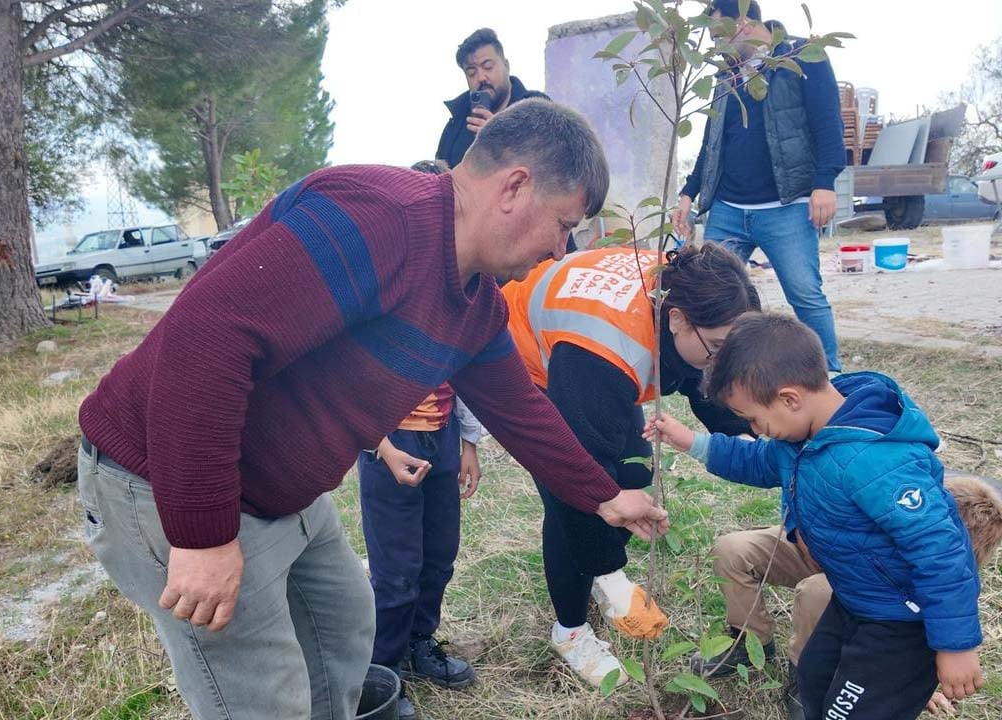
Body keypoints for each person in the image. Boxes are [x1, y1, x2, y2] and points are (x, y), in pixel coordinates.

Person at [76, 98, 668, 720]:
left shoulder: (476, 304)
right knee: (259, 695)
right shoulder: (379, 217)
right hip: (167, 477)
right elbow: (206, 337)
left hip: (279, 494)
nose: (560, 248)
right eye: (562, 223)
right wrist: (202, 536)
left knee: (344, 630)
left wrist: (604, 495)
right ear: (515, 187)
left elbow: (520, 409)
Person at [647, 314, 984, 720]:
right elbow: (758, 460)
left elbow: (941, 549)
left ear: (790, 398)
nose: (756, 429)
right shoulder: (804, 434)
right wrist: (692, 442)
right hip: (855, 601)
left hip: (901, 623)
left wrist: (956, 645)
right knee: (814, 678)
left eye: (754, 418)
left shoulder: (876, 461)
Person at [500, 242, 760, 687]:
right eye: (716, 347)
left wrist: (759, 429)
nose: (721, 361)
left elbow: (706, 381)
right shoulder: (601, 352)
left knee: (633, 472)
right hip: (527, 361)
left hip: (590, 351)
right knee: (580, 497)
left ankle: (597, 567)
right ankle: (570, 630)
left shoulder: (688, 292)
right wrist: (608, 568)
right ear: (676, 319)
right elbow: (577, 482)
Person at [695, 470, 1002, 719]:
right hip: (834, 549)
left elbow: (923, 636)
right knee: (733, 550)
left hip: (871, 585)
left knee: (817, 593)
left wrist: (908, 688)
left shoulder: (946, 579)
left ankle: (804, 680)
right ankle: (749, 642)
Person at [356, 158, 485, 720]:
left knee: (439, 555)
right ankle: (382, 672)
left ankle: (419, 643)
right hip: (389, 443)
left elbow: (474, 375)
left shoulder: (461, 299)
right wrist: (382, 447)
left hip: (443, 437)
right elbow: (350, 380)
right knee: (396, 568)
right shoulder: (381, 293)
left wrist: (470, 446)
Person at [670, 0, 846, 373]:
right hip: (728, 209)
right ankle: (734, 373)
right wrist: (689, 192)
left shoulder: (802, 57)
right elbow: (711, 142)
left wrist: (824, 182)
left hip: (786, 208)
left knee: (805, 296)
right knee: (714, 295)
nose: (716, 47)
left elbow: (828, 124)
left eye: (720, 35)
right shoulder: (725, 76)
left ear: (746, 23)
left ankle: (830, 377)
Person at [436, 28, 548, 168]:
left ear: (506, 66)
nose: (481, 77)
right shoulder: (457, 123)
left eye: (488, 67)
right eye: (471, 72)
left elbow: (552, 166)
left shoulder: (537, 109)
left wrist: (499, 139)